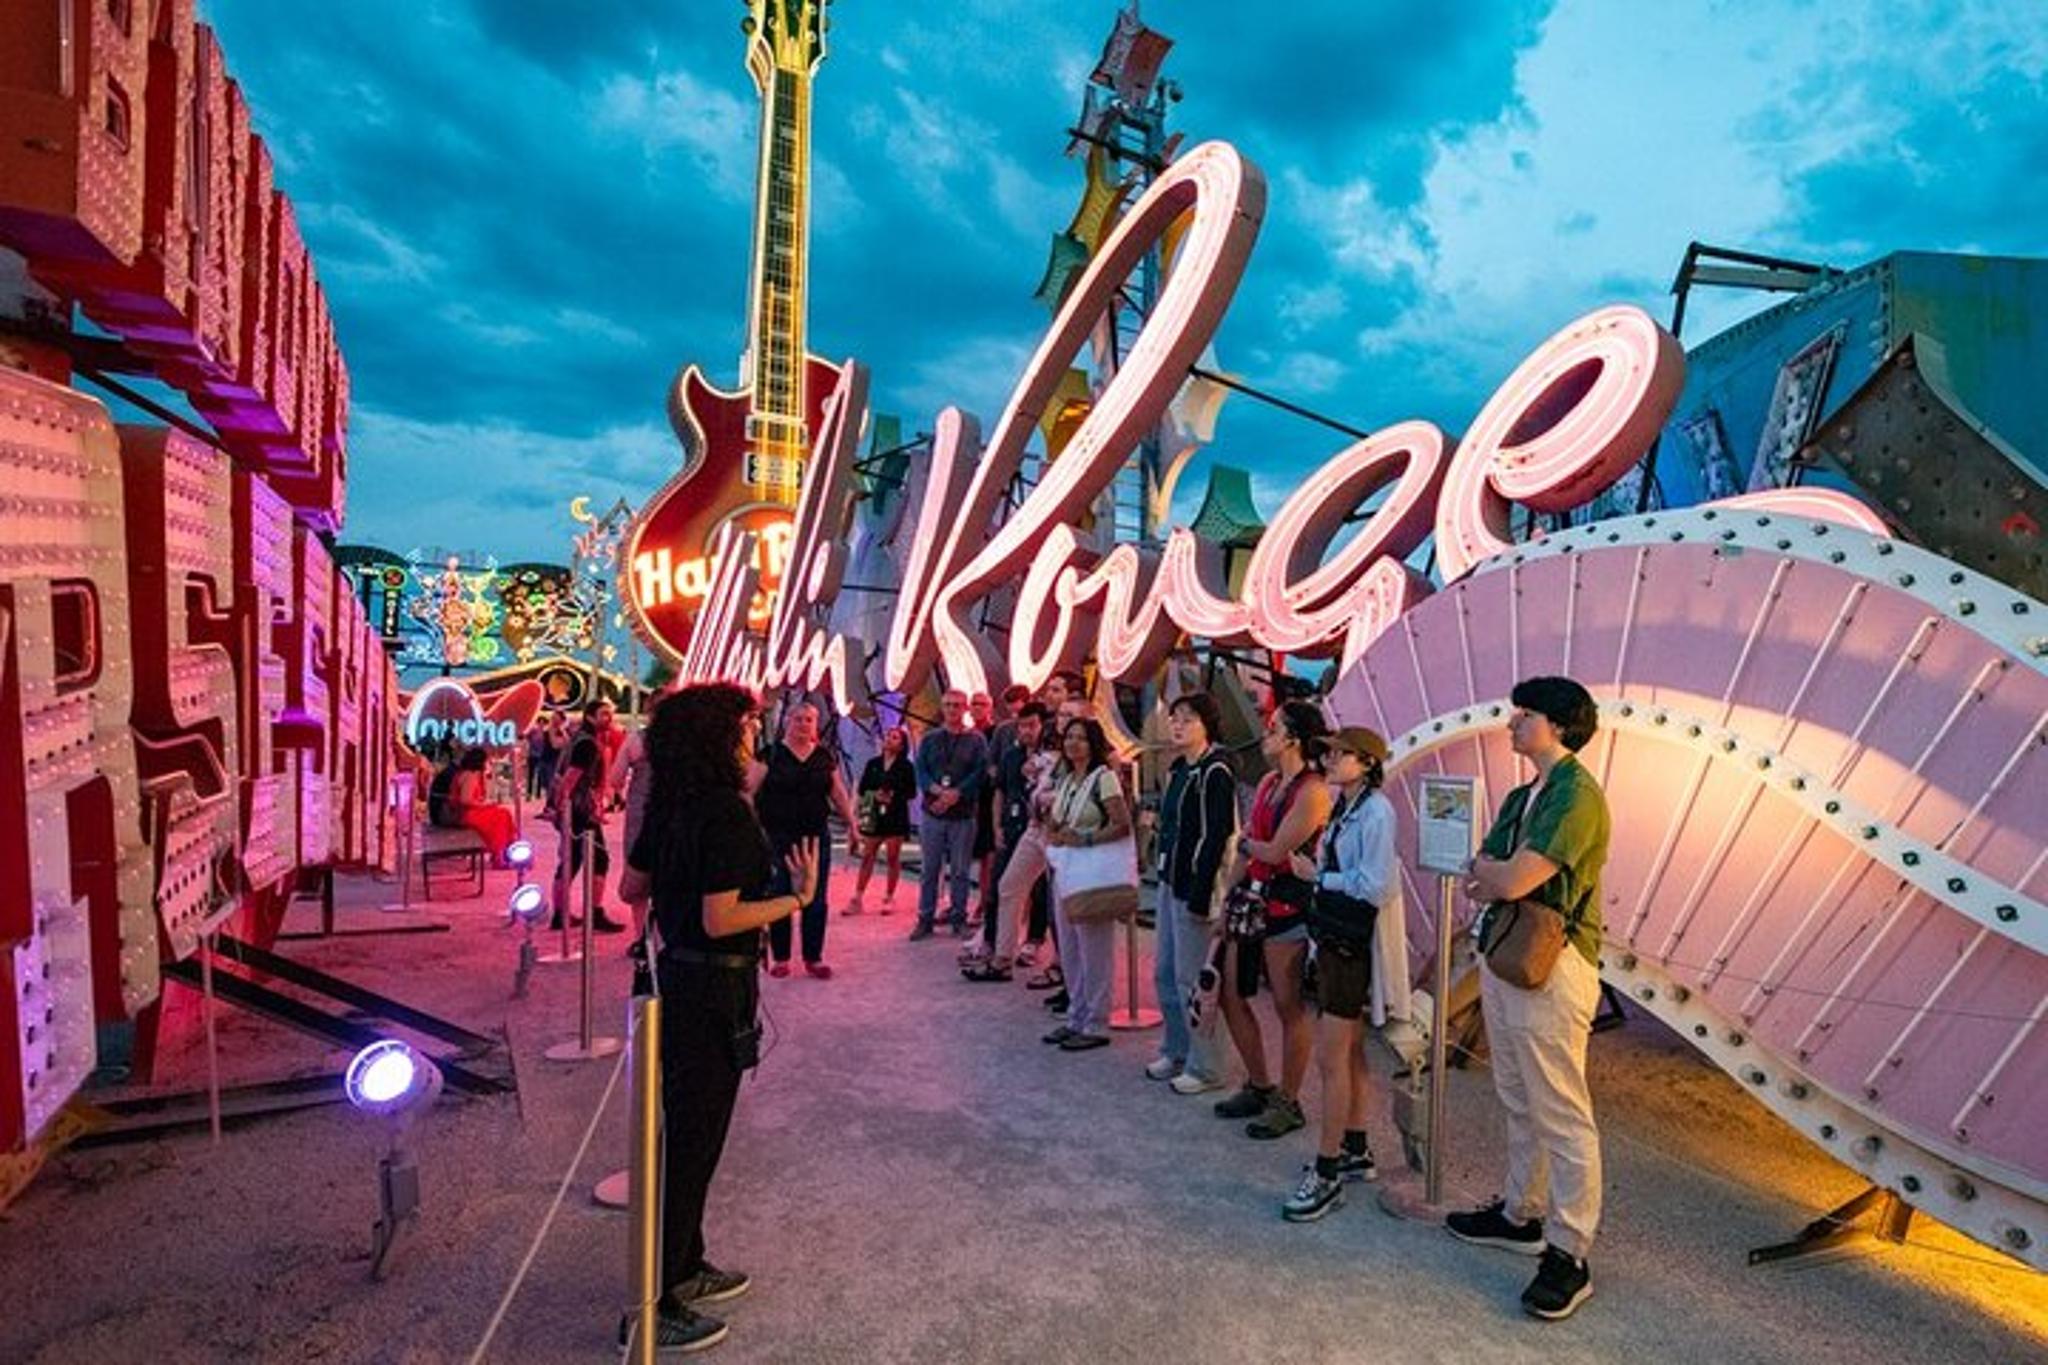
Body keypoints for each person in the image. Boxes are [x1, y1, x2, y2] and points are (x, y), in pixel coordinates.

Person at [616, 683, 820, 1354]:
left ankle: (685, 1261)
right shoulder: (727, 814)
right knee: (694, 1140)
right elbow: (722, 914)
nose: (751, 738)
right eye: (744, 728)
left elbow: (630, 888)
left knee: (685, 1132)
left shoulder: (674, 804)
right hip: (714, 986)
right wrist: (794, 900)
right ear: (716, 738)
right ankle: (657, 1298)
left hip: (677, 979)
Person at [1447, 676, 1611, 1322]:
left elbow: (1506, 874)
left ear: (1560, 725)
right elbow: (1483, 871)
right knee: (1519, 1094)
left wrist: (1498, 877)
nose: (1512, 724)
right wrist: (1497, 877)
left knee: (1562, 1107)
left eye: (1525, 715)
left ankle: (1570, 1249)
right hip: (1510, 956)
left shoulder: (1577, 797)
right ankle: (1522, 1212)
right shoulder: (1527, 793)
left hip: (1554, 962)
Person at [1281, 725, 1395, 1221]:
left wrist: (1317, 876)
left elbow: (1374, 885)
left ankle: (1327, 1171)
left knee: (1333, 1059)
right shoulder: (1349, 806)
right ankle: (1354, 1144)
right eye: (1329, 752)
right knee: (1346, 1053)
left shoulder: (1376, 812)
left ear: (1367, 762)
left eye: (1342, 754)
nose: (1331, 760)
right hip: (1333, 937)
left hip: (1348, 943)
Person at [1212, 700, 1332, 1139]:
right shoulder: (1267, 783)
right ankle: (1260, 1082)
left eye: (1273, 727)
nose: (1265, 732)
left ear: (1294, 739)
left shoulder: (1313, 790)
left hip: (1286, 905)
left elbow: (1273, 849)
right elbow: (1258, 846)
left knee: (1287, 1004)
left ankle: (1288, 1098)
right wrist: (1227, 897)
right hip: (1252, 900)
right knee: (1229, 990)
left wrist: (1247, 847)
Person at [1146, 693, 1238, 1094]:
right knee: (1165, 972)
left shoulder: (1215, 771)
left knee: (1192, 979)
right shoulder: (1180, 768)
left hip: (1195, 886)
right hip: (1170, 879)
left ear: (1207, 724)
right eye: (1175, 718)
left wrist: (1202, 893)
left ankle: (1207, 1066)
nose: (1178, 725)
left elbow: (1218, 835)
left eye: (1188, 719)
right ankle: (1177, 1048)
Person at [1040, 716, 1132, 1052]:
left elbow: (1122, 824)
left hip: (1091, 871)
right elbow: (1058, 819)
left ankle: (1096, 1020)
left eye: (1080, 738)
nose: (1073, 743)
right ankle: (1076, 1016)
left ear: (1093, 744)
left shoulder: (1103, 778)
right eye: (1069, 737)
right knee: (1070, 948)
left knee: (1095, 951)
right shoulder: (1067, 779)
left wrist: (1087, 838)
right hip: (1067, 869)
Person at [753, 701, 860, 980]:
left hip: (814, 837)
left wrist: (852, 825)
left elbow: (837, 793)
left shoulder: (824, 756)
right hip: (778, 836)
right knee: (780, 894)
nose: (803, 725)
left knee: (816, 898)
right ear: (787, 721)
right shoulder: (771, 754)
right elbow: (748, 792)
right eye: (798, 719)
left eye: (809, 720)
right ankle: (782, 957)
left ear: (815, 725)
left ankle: (813, 957)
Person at [962, 702, 1049, 981]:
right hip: (1015, 829)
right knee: (1004, 886)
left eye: (1031, 725)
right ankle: (998, 951)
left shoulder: (1053, 757)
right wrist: (997, 824)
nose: (1025, 731)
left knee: (1042, 893)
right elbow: (1000, 791)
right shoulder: (1011, 756)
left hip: (1044, 831)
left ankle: (1035, 943)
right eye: (1021, 725)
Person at [911, 690, 987, 941]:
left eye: (957, 705)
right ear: (942, 708)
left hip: (963, 814)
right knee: (929, 868)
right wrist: (935, 791)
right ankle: (925, 918)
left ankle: (958, 917)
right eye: (948, 705)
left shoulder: (976, 740)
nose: (952, 710)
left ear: (965, 709)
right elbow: (921, 769)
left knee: (961, 871)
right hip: (933, 813)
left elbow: (980, 772)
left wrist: (957, 793)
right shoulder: (930, 739)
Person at [552, 700, 625, 934]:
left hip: (576, 810)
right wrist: (563, 806)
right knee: (598, 859)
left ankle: (560, 914)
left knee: (571, 860)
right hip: (579, 811)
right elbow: (570, 778)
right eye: (604, 714)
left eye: (610, 714)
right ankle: (594, 912)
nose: (609, 718)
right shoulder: (587, 744)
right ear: (590, 717)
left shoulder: (579, 738)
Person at [848, 726, 917, 914]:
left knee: (893, 857)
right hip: (874, 813)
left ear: (902, 745)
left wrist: (894, 795)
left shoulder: (906, 766)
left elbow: (912, 792)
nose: (889, 739)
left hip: (896, 814)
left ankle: (889, 896)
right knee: (867, 855)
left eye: (894, 737)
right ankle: (857, 896)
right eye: (888, 735)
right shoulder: (873, 763)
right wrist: (874, 794)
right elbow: (862, 788)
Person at [450, 747, 520, 864]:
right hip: (468, 814)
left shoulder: (475, 774)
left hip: (472, 811)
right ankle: (499, 855)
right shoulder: (470, 775)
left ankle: (502, 853)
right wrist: (483, 804)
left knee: (503, 814)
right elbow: (465, 799)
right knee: (501, 816)